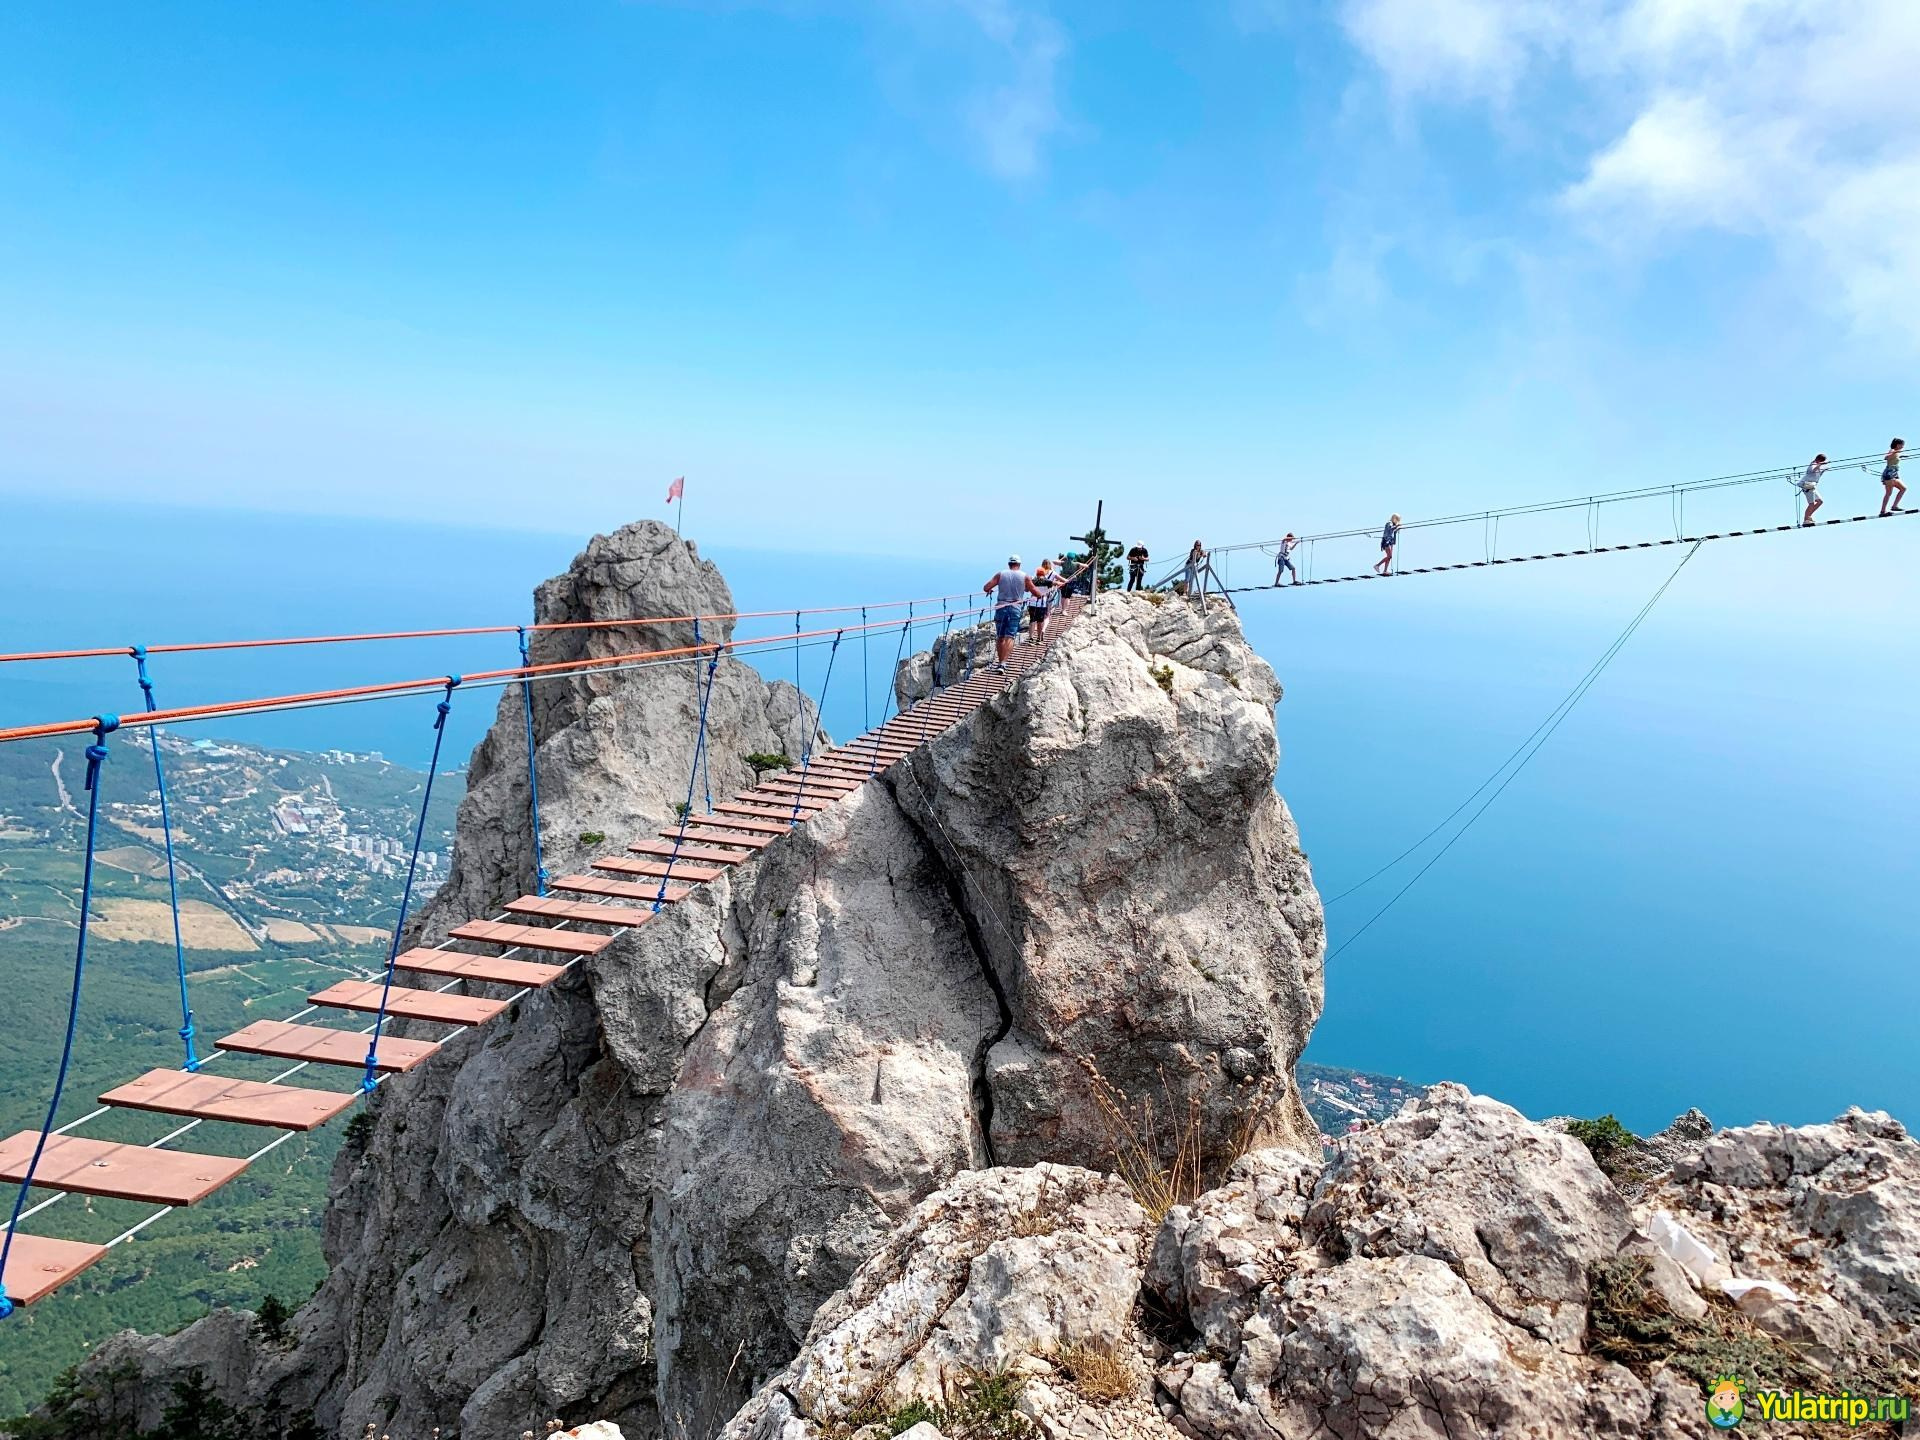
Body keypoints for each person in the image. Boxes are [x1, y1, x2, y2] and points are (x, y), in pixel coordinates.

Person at [983, 555, 1042, 673]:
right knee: (1010, 636)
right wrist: (1040, 594)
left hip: (1001, 607)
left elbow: (986, 587)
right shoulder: (1025, 576)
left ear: (1009, 564)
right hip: (1015, 608)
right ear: (1019, 565)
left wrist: (990, 589)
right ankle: (1003, 664)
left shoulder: (1000, 574)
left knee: (1000, 636)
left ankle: (1000, 662)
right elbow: (1036, 592)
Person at [1028, 557, 1063, 644]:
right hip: (1042, 603)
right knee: (1040, 621)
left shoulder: (1032, 581)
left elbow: (1026, 589)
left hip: (1032, 603)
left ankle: (1031, 638)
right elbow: (1057, 583)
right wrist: (1062, 583)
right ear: (1043, 574)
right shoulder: (1047, 582)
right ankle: (1039, 638)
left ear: (1037, 573)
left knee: (1032, 620)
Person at [1798, 454, 1826, 526]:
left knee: (1820, 501)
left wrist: (1823, 468)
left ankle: (1808, 516)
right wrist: (1820, 465)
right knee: (1811, 504)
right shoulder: (1812, 465)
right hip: (1807, 485)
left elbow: (1818, 474)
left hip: (1812, 486)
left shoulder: (1817, 465)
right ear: (1819, 460)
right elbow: (1813, 470)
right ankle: (1806, 520)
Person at [1882, 438, 1906, 516]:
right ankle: (1883, 511)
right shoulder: (1893, 450)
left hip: (1894, 474)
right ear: (1898, 445)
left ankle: (1894, 506)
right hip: (1889, 474)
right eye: (1902, 445)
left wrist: (1900, 456)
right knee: (1888, 493)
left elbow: (1893, 459)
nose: (1903, 447)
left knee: (1903, 488)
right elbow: (1886, 457)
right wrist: (1894, 453)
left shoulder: (1897, 452)